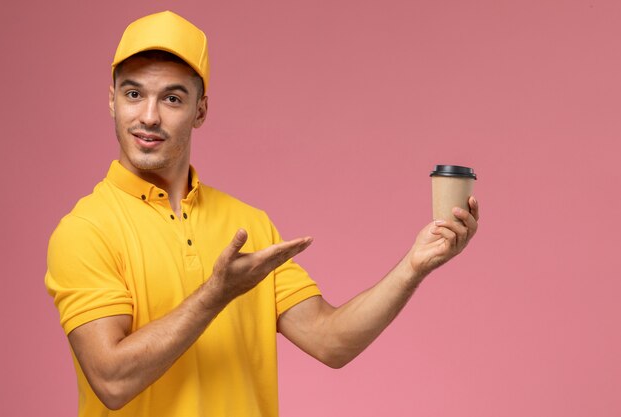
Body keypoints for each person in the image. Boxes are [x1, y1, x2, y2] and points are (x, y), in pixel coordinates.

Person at [45, 10, 479, 417]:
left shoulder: (248, 224)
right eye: (134, 93)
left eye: (173, 99)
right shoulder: (86, 230)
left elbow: (331, 342)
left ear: (200, 111)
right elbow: (112, 380)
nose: (148, 116)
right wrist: (217, 293)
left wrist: (414, 266)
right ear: (112, 100)